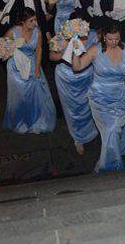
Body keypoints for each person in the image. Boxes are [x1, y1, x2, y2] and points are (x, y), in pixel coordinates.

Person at [73, 22, 125, 172]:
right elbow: (78, 67)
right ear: (103, 38)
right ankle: (110, 164)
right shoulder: (95, 50)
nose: (113, 42)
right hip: (101, 97)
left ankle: (112, 159)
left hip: (120, 94)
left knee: (115, 130)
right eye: (110, 39)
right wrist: (75, 52)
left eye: (116, 39)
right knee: (111, 130)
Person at [2, 7, 56, 133]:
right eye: (31, 21)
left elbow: (39, 49)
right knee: (20, 95)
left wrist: (37, 68)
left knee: (36, 94)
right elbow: (3, 46)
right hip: (16, 68)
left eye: (35, 20)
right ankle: (21, 121)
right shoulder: (13, 32)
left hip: (32, 64)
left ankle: (37, 120)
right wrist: (7, 53)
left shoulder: (37, 32)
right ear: (23, 21)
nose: (35, 23)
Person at [51, 25, 101, 154]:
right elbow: (51, 56)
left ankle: (92, 129)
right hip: (66, 77)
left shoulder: (93, 35)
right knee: (72, 109)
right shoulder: (62, 37)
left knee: (89, 105)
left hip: (87, 76)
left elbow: (98, 53)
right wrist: (66, 50)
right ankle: (78, 138)